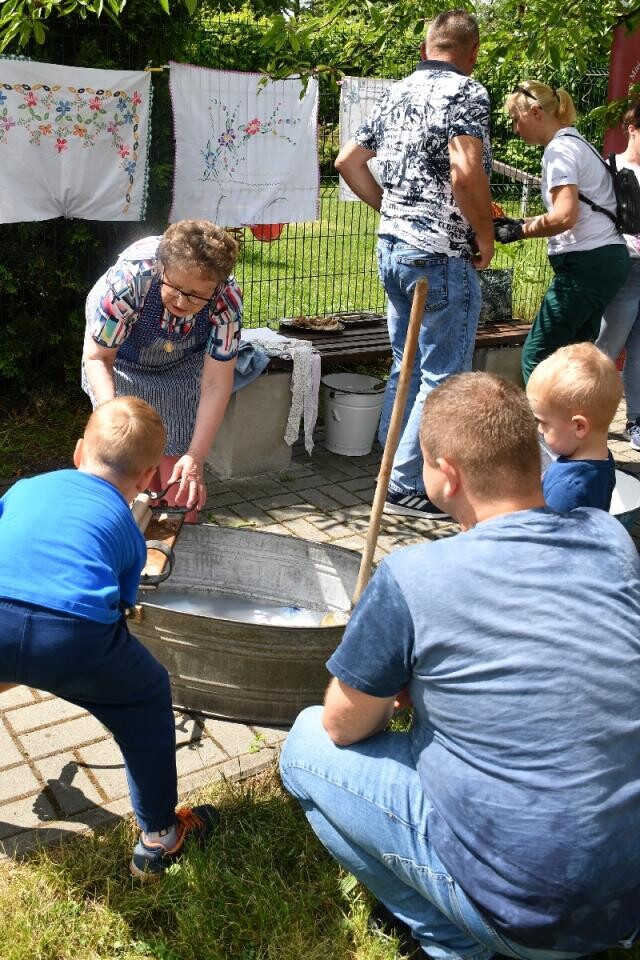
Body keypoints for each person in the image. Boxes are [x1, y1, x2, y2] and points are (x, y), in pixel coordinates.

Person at [280, 371, 640, 960]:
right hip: (628, 895)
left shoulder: (411, 577)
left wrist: (396, 687)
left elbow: (343, 727)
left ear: (446, 475)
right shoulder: (609, 540)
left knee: (304, 745)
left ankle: (451, 940)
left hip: (530, 915)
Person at [0, 397, 218, 878]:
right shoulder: (125, 526)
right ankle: (160, 836)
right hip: (73, 635)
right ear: (147, 479)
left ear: (79, 451)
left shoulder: (26, 487)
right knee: (147, 694)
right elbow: (121, 607)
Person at [335, 9, 494, 520]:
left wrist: (393, 210)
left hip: (393, 250)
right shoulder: (468, 93)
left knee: (405, 366)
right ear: (472, 54)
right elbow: (465, 172)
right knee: (441, 377)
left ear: (426, 48)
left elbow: (347, 162)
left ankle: (390, 469)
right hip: (441, 254)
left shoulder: (396, 91)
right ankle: (407, 486)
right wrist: (485, 233)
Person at [82, 219, 242, 521]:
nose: (182, 301)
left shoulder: (227, 301)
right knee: (123, 466)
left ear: (217, 287)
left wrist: (196, 457)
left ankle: (175, 532)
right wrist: (113, 419)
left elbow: (216, 383)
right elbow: (99, 358)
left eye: (196, 295)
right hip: (119, 360)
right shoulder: (128, 282)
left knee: (181, 494)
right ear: (161, 267)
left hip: (182, 365)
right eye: (176, 287)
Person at [497, 81, 629, 383]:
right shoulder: (576, 142)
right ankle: (583, 413)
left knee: (538, 355)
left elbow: (565, 216)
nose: (515, 129)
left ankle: (541, 416)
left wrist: (520, 232)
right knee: (576, 360)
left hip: (586, 264)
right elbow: (575, 210)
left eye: (516, 119)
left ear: (535, 112)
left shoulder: (558, 150)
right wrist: (517, 223)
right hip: (605, 259)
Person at [526, 342, 621, 511]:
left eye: (544, 422)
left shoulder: (567, 490)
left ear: (579, 427)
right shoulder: (603, 459)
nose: (539, 429)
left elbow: (547, 528)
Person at [596, 101, 640, 448]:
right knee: (606, 347)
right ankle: (590, 414)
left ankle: (635, 420)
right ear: (632, 129)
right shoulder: (609, 168)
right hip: (623, 267)